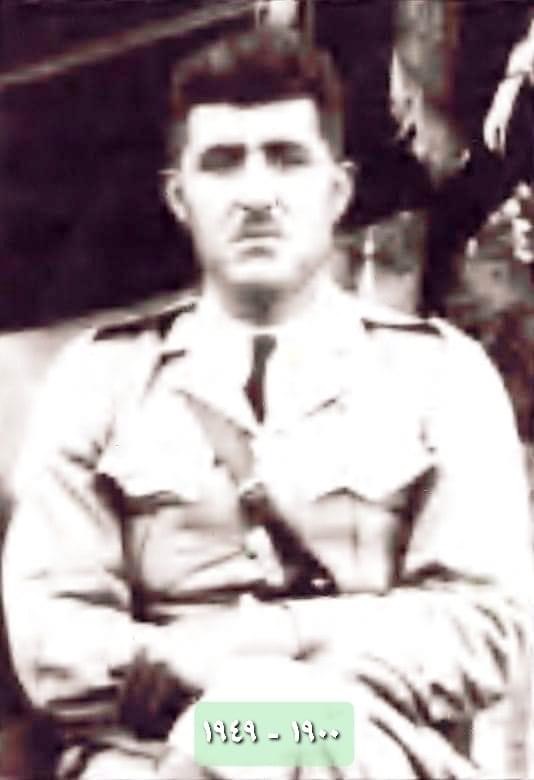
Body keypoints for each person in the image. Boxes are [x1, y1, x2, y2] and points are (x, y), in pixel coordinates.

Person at [2, 28, 533, 779]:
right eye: (223, 163)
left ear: (336, 193)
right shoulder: (99, 381)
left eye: (286, 159)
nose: (256, 194)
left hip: (366, 743)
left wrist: (264, 657)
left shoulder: (441, 377)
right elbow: (53, 637)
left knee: (270, 723)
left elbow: (482, 626)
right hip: (143, 756)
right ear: (180, 198)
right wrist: (206, 692)